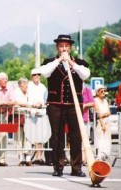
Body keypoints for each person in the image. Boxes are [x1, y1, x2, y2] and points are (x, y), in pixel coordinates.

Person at [39, 34, 90, 177]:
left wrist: (71, 63)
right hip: (55, 104)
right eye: (61, 46)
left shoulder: (80, 63)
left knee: (75, 136)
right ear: (57, 47)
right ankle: (58, 166)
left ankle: (76, 168)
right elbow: (44, 72)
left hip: (74, 104)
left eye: (67, 46)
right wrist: (60, 59)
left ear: (71, 47)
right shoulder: (50, 62)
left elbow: (85, 75)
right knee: (57, 136)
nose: (64, 48)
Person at [25, 69, 51, 165]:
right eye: (34, 75)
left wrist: (41, 103)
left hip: (41, 113)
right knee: (30, 136)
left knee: (40, 136)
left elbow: (45, 99)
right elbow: (26, 99)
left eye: (38, 75)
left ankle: (39, 157)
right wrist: (32, 105)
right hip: (31, 113)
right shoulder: (28, 86)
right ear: (31, 76)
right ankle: (27, 157)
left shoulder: (43, 87)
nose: (36, 76)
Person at [11, 77, 32, 166]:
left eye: (26, 83)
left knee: (28, 137)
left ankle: (27, 157)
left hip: (28, 116)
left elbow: (32, 101)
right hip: (18, 115)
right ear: (19, 84)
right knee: (18, 137)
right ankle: (20, 158)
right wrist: (26, 104)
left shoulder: (29, 92)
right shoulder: (16, 92)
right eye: (24, 83)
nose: (25, 85)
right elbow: (15, 102)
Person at [94, 84, 111, 160]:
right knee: (101, 140)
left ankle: (105, 157)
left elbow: (109, 112)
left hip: (107, 122)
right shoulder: (95, 101)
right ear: (97, 92)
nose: (103, 92)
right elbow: (98, 114)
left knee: (107, 140)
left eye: (104, 91)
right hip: (100, 123)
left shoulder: (105, 101)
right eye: (101, 91)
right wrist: (102, 124)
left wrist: (103, 114)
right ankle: (100, 158)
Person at [81, 82, 95, 164]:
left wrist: (85, 105)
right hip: (73, 118)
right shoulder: (74, 89)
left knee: (85, 139)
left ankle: (85, 158)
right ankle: (79, 159)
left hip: (85, 118)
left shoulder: (87, 89)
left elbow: (92, 102)